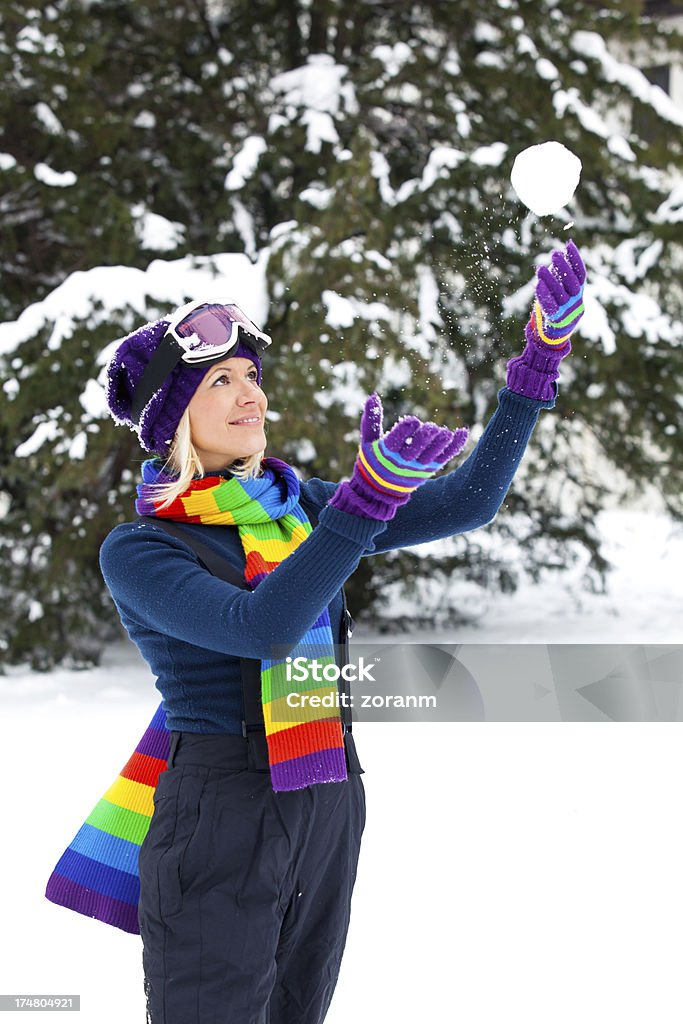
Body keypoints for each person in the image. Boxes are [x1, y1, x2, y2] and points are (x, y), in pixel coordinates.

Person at [96, 242, 585, 1024]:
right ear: (172, 419)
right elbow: (262, 628)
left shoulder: (298, 509)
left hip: (325, 794)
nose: (247, 393)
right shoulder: (143, 549)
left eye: (250, 375)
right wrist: (361, 506)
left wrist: (533, 371)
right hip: (221, 808)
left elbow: (466, 503)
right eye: (218, 381)